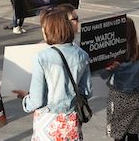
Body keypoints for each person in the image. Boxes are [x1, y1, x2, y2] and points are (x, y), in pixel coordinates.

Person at [12, 7, 92, 141]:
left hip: (48, 121)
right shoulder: (82, 55)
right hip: (72, 121)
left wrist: (26, 99)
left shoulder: (43, 57)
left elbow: (37, 100)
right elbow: (87, 92)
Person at [100, 18, 139, 141]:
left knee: (119, 134)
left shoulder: (113, 53)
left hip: (118, 98)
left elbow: (103, 75)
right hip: (137, 96)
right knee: (133, 133)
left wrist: (109, 68)